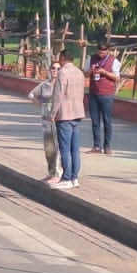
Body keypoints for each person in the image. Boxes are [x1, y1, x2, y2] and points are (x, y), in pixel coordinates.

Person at [50, 51, 87, 189]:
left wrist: (53, 113)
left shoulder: (63, 73)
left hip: (65, 113)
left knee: (65, 148)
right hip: (77, 112)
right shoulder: (79, 72)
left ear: (63, 58)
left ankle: (66, 177)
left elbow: (58, 95)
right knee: (74, 148)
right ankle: (74, 177)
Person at [29, 63, 62, 182]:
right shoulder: (45, 85)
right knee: (48, 147)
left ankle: (58, 173)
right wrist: (40, 104)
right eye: (53, 68)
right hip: (45, 119)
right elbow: (31, 94)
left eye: (58, 69)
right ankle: (51, 172)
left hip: (58, 119)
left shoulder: (61, 85)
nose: (55, 70)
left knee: (57, 145)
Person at [87, 44, 120, 154]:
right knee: (95, 121)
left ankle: (107, 146)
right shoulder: (91, 58)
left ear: (108, 51)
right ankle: (96, 146)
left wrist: (104, 72)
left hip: (106, 94)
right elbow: (85, 73)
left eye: (103, 52)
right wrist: (91, 71)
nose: (101, 54)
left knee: (107, 121)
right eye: (99, 52)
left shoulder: (113, 60)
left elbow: (117, 77)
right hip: (93, 94)